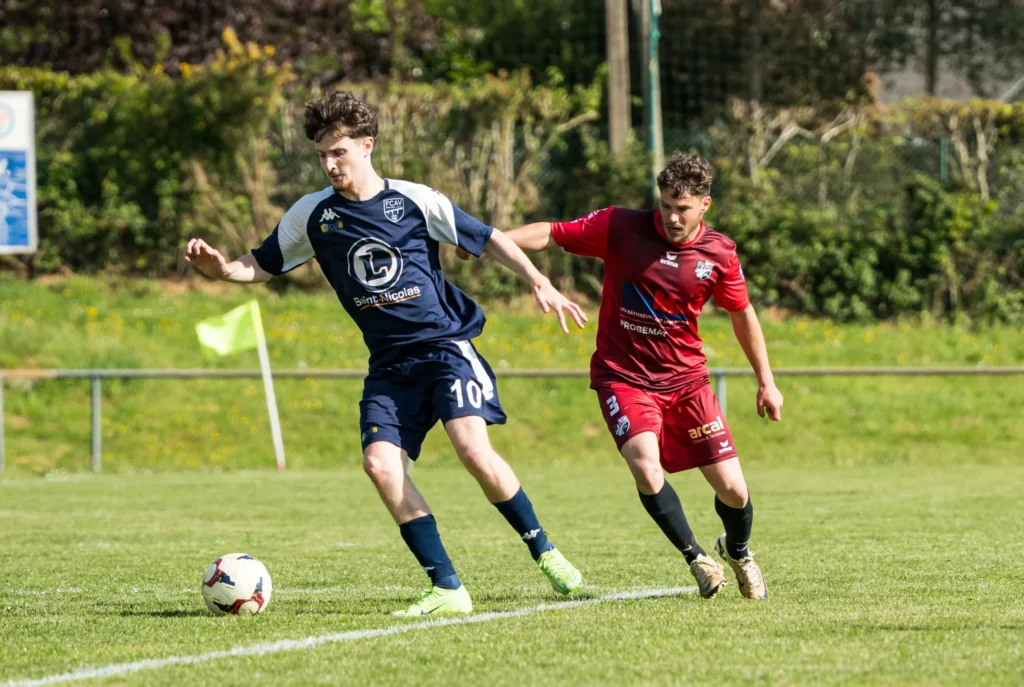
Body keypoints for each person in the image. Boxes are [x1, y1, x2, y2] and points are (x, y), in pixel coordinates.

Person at [184, 91, 587, 617]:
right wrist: (221, 269)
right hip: (389, 366)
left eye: (339, 152)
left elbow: (487, 238)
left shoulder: (415, 200)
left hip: (444, 348)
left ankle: (544, 550)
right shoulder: (313, 214)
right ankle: (447, 588)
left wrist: (539, 281)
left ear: (367, 145)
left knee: (472, 450)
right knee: (379, 465)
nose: (330, 165)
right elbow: (261, 263)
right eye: (322, 155)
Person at [488, 151, 783, 599]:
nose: (671, 217)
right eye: (664, 205)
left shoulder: (719, 253)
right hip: (623, 375)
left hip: (687, 383)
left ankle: (737, 551)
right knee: (645, 465)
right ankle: (697, 558)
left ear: (705, 205)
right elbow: (552, 233)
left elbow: (741, 313)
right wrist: (488, 239)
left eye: (682, 208)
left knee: (734, 491)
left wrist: (766, 381)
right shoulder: (621, 226)